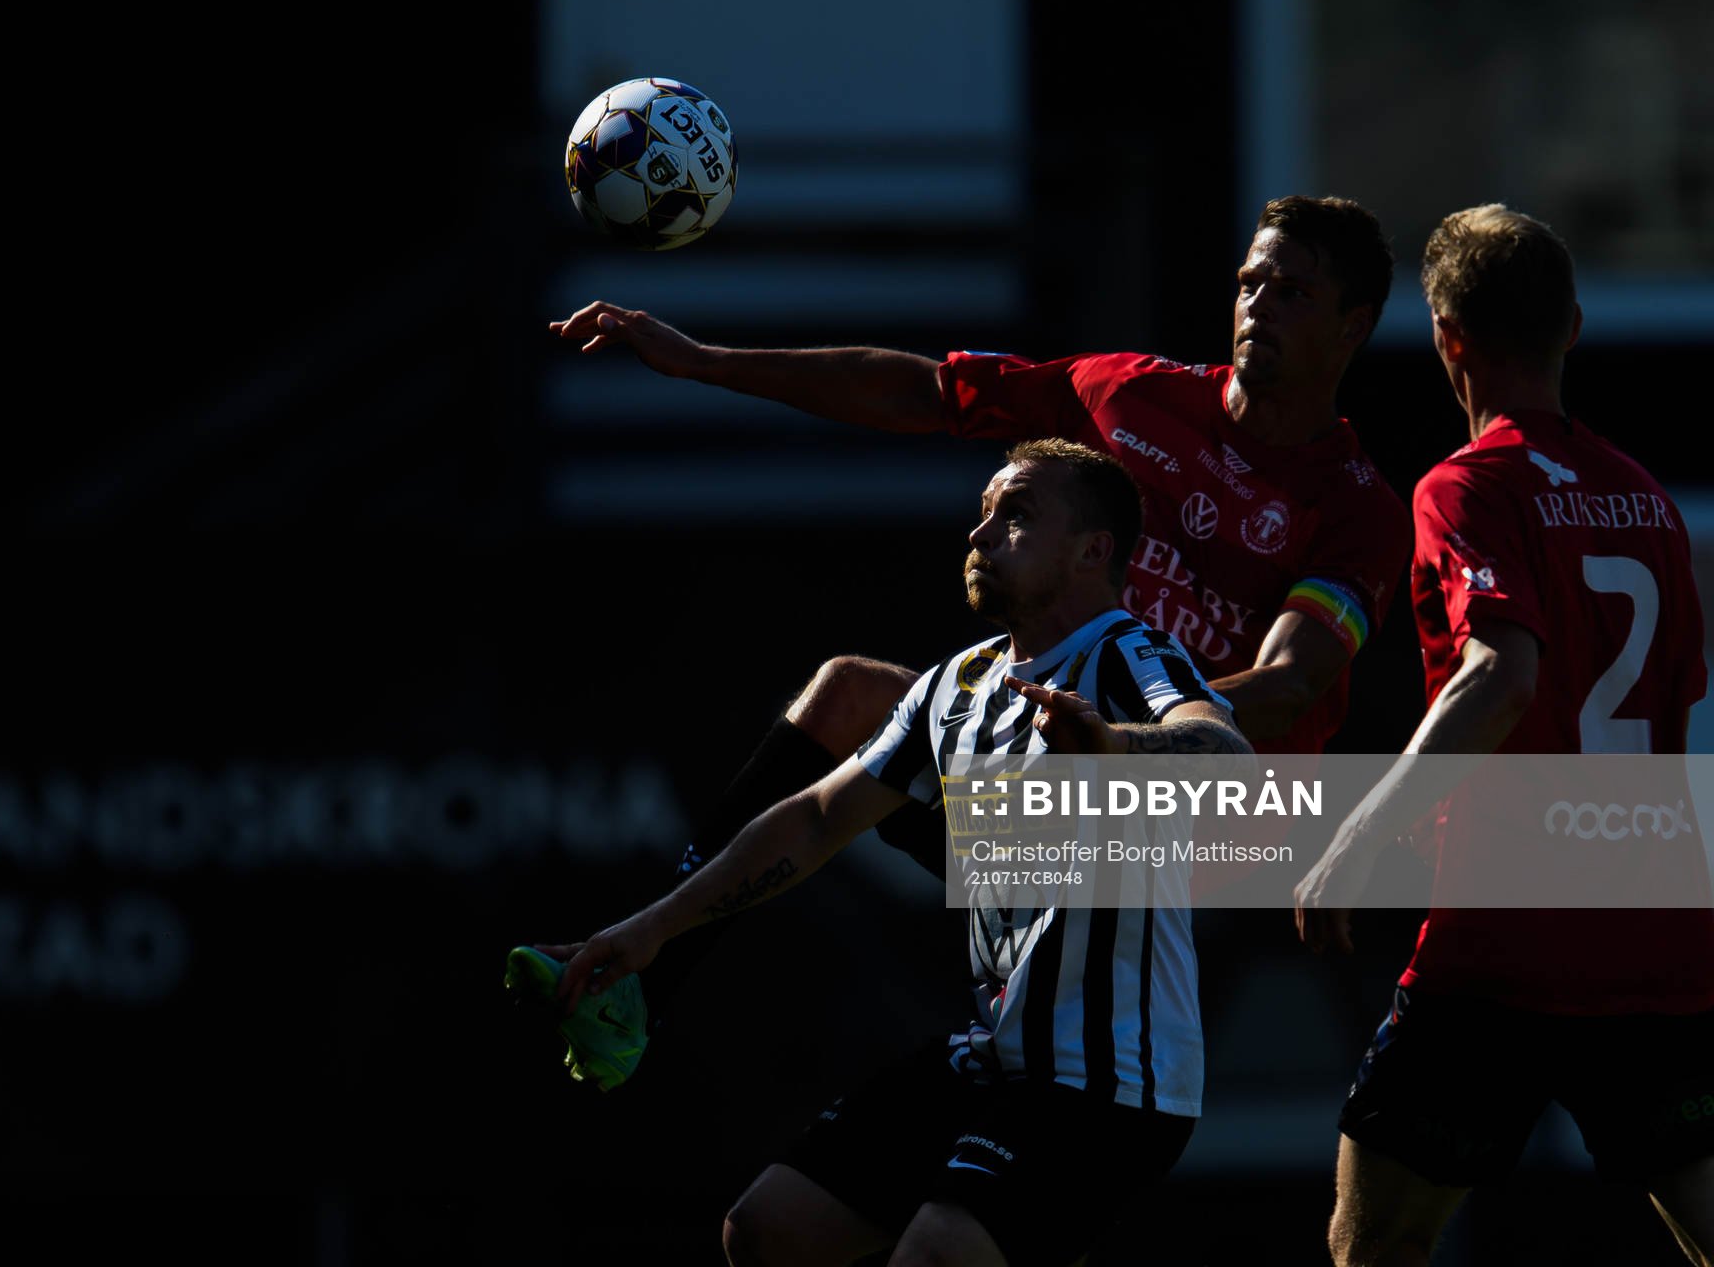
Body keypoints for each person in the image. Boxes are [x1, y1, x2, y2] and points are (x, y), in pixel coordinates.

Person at [532, 195, 1411, 1083]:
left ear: (1354, 326)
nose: (1259, 304)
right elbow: (924, 390)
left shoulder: (1357, 509)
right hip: (1050, 785)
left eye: (1293, 292)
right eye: (1251, 282)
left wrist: (1120, 740)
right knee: (845, 699)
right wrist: (707, 362)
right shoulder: (1133, 394)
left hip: (1204, 835)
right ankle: (641, 981)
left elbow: (1291, 681)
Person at [533, 439, 1253, 1267]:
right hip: (997, 1058)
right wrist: (654, 928)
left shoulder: (1127, 655)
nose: (980, 535)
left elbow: (1224, 754)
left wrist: (1114, 750)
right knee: (768, 1232)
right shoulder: (954, 686)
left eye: (1015, 516)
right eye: (982, 515)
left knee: (938, 1256)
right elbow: (813, 820)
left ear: (1094, 552)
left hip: (1110, 1079)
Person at [1293, 204, 1714, 1266]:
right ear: (1572, 325)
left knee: (1372, 1242)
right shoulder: (1649, 502)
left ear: (1445, 336)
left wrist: (1357, 839)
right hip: (1654, 934)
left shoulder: (1465, 488)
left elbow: (1500, 674)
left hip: (1506, 946)